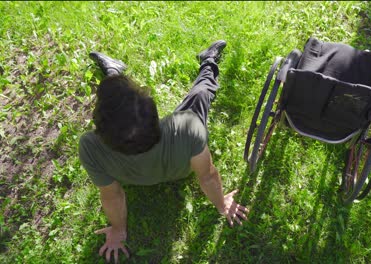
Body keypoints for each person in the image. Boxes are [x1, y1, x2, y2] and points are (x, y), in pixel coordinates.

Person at [79, 40, 249, 263]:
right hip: (179, 170)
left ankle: (113, 71)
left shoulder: (90, 146)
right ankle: (208, 61)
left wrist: (119, 230)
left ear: (101, 129)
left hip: (132, 180)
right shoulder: (187, 127)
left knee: (116, 99)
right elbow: (207, 175)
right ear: (153, 112)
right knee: (200, 94)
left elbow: (112, 194)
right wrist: (221, 204)